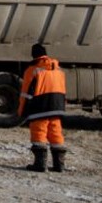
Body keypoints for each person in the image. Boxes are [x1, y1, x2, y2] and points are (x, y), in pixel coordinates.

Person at [17, 43, 68, 173]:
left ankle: (40, 164)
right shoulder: (58, 70)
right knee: (56, 133)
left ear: (34, 55)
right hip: (57, 106)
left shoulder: (33, 70)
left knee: (39, 132)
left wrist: (21, 111)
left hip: (40, 106)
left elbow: (26, 93)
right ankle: (59, 165)